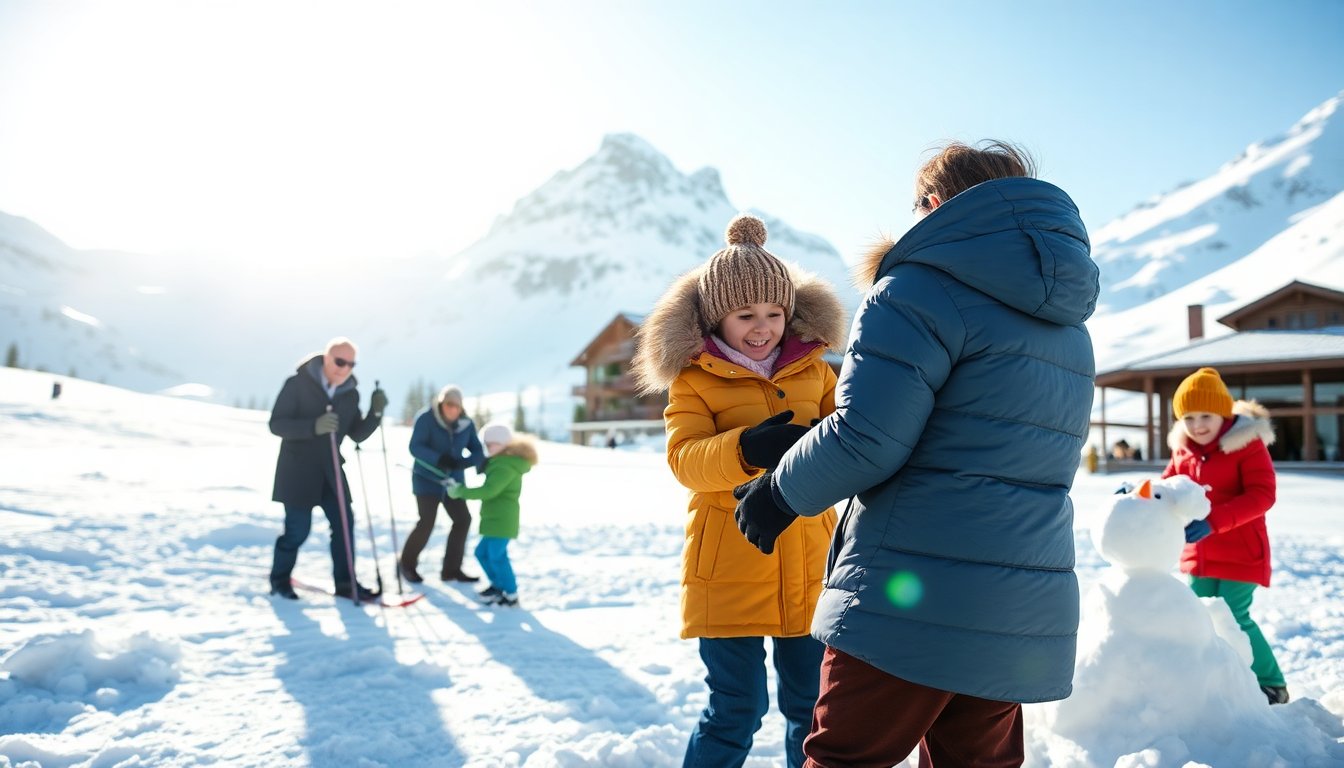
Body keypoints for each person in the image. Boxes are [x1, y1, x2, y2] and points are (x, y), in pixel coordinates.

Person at [733, 141, 1098, 767]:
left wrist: (778, 492)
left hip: (912, 589)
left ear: (933, 206)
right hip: (1017, 597)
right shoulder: (1066, 322)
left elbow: (868, 436)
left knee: (847, 758)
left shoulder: (916, 287)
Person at [631, 213, 847, 768]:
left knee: (812, 709)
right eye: (745, 314)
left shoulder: (817, 372)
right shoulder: (694, 378)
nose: (762, 327)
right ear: (715, 317)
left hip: (807, 567)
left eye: (774, 313)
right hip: (727, 569)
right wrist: (747, 447)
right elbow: (686, 461)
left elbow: (847, 444)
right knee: (736, 710)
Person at [1162, 366, 1287, 705]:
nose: (1197, 425)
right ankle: (1217, 679)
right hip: (1198, 553)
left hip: (1240, 550)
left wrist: (1216, 520)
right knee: (1201, 616)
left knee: (1233, 615)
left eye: (1206, 415)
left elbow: (1263, 494)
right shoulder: (1183, 449)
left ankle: (1272, 683)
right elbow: (1168, 488)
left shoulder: (1247, 445)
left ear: (1223, 413)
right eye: (1188, 417)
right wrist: (1140, 496)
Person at [267, 337, 387, 601]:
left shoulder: (350, 393)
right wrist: (313, 426)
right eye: (339, 361)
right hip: (297, 473)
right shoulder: (297, 384)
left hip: (331, 472)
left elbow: (356, 434)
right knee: (298, 530)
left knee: (344, 525)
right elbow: (277, 424)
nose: (344, 368)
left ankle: (346, 584)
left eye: (350, 364)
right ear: (326, 357)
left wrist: (376, 414)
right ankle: (279, 580)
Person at [401, 385, 485, 583]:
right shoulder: (426, 419)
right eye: (448, 404)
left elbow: (477, 451)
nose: (452, 409)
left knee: (463, 520)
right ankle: (406, 564)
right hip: (426, 480)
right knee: (427, 521)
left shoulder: (466, 424)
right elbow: (415, 447)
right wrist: (438, 459)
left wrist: (462, 463)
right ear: (441, 403)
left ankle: (451, 570)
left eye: (457, 405)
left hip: (453, 483)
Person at [447, 422, 536, 607]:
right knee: (482, 553)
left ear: (503, 444)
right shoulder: (500, 462)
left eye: (490, 445)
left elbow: (489, 491)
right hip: (494, 518)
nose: (487, 449)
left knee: (497, 556)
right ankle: (498, 586)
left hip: (503, 520)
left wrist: (460, 492)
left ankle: (511, 594)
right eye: (486, 445)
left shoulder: (505, 466)